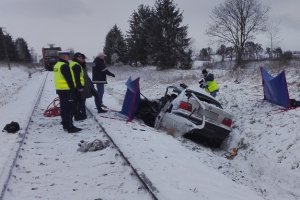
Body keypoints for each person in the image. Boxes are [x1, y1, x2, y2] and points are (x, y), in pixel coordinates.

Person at [53, 52, 82, 133]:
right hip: (67, 90)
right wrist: (73, 91)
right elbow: (69, 80)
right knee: (69, 109)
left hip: (60, 90)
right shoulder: (64, 66)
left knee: (64, 108)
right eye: (67, 56)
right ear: (64, 56)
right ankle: (70, 127)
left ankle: (65, 125)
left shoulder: (57, 65)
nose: (68, 57)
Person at [69, 52, 86, 121]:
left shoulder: (71, 64)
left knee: (75, 102)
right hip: (77, 87)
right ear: (75, 58)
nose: (80, 58)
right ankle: (77, 116)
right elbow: (77, 78)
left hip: (73, 86)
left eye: (81, 57)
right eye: (79, 57)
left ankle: (76, 115)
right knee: (77, 102)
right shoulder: (76, 65)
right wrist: (80, 88)